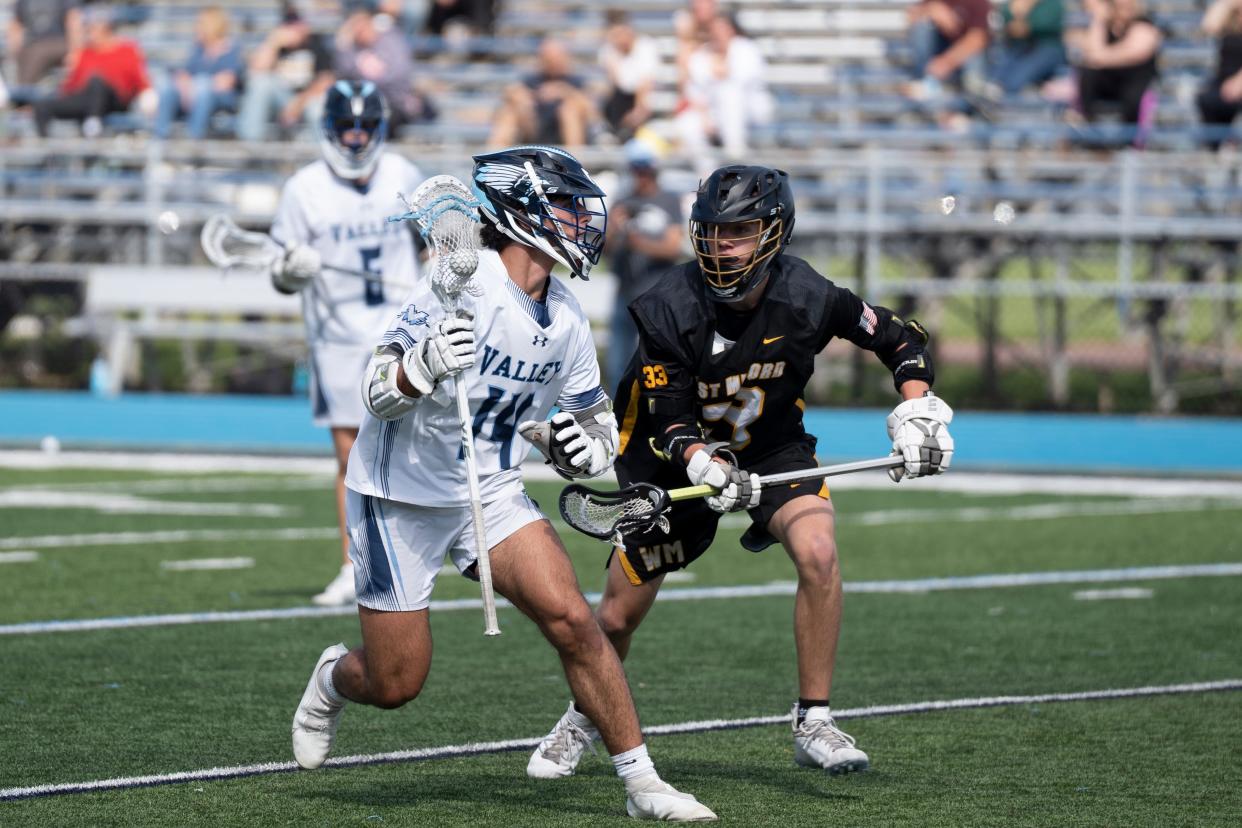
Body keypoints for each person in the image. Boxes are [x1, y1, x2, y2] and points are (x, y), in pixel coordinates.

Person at [289, 145, 717, 822]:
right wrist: (421, 367)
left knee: (575, 620)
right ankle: (333, 680)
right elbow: (374, 389)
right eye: (566, 207)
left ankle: (643, 784)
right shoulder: (462, 284)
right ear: (521, 213)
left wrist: (585, 446)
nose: (581, 220)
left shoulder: (568, 316)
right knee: (397, 682)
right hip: (400, 494)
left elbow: (593, 419)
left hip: (487, 491)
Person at [526, 165, 954, 780]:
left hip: (771, 448)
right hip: (667, 462)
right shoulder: (667, 307)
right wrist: (706, 464)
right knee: (617, 617)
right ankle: (581, 716)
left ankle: (814, 719)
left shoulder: (806, 294)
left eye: (740, 232)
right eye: (713, 232)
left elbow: (897, 337)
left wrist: (917, 408)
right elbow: (668, 418)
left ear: (774, 233)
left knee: (819, 553)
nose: (722, 247)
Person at [268, 80, 424, 607]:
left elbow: (434, 244)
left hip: (400, 327)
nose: (356, 138)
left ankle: (418, 551)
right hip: (335, 334)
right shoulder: (303, 189)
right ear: (330, 129)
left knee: (414, 442)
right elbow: (278, 274)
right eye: (346, 127)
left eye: (365, 126)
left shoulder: (402, 174)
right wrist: (293, 269)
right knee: (349, 453)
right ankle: (354, 563)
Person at [603, 140, 684, 391]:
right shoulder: (622, 201)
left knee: (659, 360)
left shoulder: (668, 200)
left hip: (657, 293)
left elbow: (673, 248)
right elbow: (605, 251)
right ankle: (619, 412)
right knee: (619, 361)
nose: (640, 177)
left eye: (644, 170)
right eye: (636, 170)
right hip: (625, 291)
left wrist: (640, 244)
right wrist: (615, 228)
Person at [32, 5, 149, 137]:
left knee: (97, 82)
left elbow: (140, 82)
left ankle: (93, 126)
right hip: (85, 99)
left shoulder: (127, 50)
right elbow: (70, 89)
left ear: (106, 28)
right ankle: (47, 150)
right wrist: (71, 68)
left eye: (93, 28)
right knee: (42, 105)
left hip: (115, 101)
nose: (89, 32)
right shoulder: (85, 53)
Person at [676, 14, 772, 168]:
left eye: (722, 29)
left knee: (730, 94)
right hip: (714, 112)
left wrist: (723, 71)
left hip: (751, 109)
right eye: (714, 30)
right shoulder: (702, 55)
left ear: (731, 30)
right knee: (687, 124)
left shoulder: (746, 49)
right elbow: (694, 90)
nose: (718, 34)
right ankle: (708, 174)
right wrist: (703, 116)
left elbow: (743, 82)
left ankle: (736, 159)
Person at [235, 3, 334, 142]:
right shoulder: (277, 45)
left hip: (307, 99)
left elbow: (326, 80)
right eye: (289, 24)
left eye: (296, 23)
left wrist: (298, 104)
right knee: (260, 83)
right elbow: (255, 71)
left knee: (317, 108)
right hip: (281, 97)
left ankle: (320, 154)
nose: (293, 29)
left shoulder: (316, 44)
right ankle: (250, 144)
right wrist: (273, 43)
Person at [334, 6, 433, 130]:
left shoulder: (391, 40)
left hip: (395, 102)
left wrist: (371, 83)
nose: (360, 30)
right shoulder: (351, 49)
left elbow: (400, 73)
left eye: (362, 25)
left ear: (370, 23)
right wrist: (344, 46)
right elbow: (344, 72)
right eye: (355, 27)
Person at [152, 6, 242, 140]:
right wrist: (185, 84)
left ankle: (192, 140)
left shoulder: (230, 49)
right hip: (191, 95)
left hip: (217, 98)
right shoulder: (199, 50)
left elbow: (225, 82)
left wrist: (196, 86)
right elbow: (185, 73)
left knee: (203, 86)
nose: (197, 27)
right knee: (167, 89)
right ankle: (159, 142)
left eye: (201, 23)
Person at [489, 38, 597, 147]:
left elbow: (592, 112)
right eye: (548, 59)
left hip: (566, 133)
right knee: (510, 112)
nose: (553, 62)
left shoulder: (576, 81)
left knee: (570, 109)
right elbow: (510, 92)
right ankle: (492, 158)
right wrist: (524, 99)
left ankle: (573, 158)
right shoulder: (532, 79)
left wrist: (565, 92)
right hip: (534, 128)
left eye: (556, 58)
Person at [1074, 0, 1162, 128]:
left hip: (1136, 82)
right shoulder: (1107, 26)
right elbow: (1090, 53)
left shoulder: (1144, 24)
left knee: (1134, 98)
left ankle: (1132, 142)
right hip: (1109, 83)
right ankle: (1087, 126)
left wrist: (1101, 57)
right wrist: (1099, 20)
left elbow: (1134, 53)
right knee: (1087, 74)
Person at [904, 0, 990, 100]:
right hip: (936, 57)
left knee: (974, 55)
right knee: (922, 26)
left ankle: (973, 96)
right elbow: (911, 17)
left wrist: (947, 61)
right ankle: (925, 81)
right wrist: (931, 9)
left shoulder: (978, 2)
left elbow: (978, 39)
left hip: (963, 58)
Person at [599, 10, 660, 141]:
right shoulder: (609, 51)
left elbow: (645, 83)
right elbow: (620, 84)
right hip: (622, 102)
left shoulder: (646, 46)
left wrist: (638, 111)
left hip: (642, 102)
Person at [989, 0, 1067, 98]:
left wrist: (1023, 16)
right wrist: (1018, 11)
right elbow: (1005, 16)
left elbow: (1038, 24)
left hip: (1047, 48)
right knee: (996, 77)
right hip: (1020, 45)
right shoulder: (1016, 2)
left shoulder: (1053, 4)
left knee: (1014, 82)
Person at [1197, 0, 1242, 148]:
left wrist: (1239, 81)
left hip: (1237, 83)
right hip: (1224, 81)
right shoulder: (1230, 24)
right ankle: (1217, 150)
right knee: (1206, 99)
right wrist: (1227, 4)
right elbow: (1209, 26)